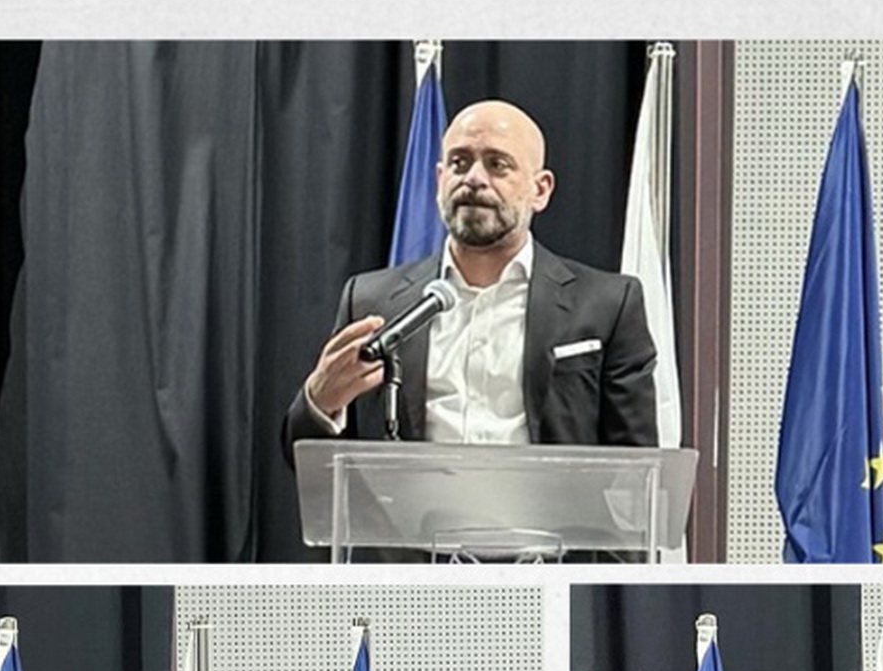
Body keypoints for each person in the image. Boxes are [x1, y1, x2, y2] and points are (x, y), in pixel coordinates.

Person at [281, 98, 658, 461]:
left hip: (547, 509)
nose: (474, 179)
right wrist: (320, 400)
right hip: (410, 509)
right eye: (459, 163)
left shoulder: (607, 306)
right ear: (440, 179)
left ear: (539, 190)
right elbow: (303, 459)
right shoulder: (372, 304)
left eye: (497, 164)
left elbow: (637, 470)